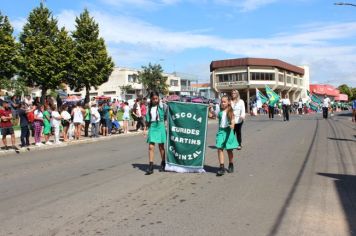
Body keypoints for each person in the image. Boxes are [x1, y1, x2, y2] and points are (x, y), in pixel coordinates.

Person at [143, 92, 167, 175]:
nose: (155, 100)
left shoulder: (162, 105)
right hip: (152, 126)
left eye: (156, 98)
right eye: (153, 99)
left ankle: (163, 163)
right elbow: (147, 120)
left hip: (160, 125)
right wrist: (145, 129)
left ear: (158, 98)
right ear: (151, 99)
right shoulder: (149, 108)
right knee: (151, 147)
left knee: (161, 147)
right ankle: (151, 166)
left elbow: (168, 113)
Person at [216, 95, 238, 176]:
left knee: (229, 150)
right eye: (222, 101)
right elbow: (214, 116)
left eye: (224, 101)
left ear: (228, 102)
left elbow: (233, 121)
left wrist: (232, 125)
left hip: (228, 132)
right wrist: (209, 111)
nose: (223, 103)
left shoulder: (230, 111)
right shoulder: (220, 112)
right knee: (219, 148)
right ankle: (221, 167)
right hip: (221, 132)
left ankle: (231, 164)